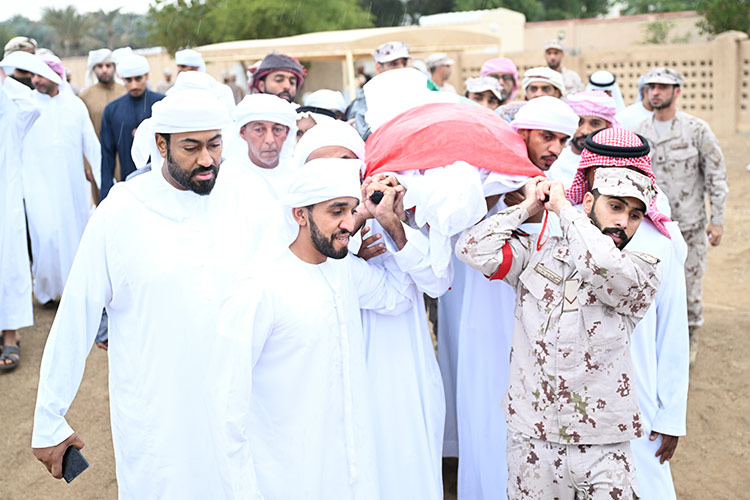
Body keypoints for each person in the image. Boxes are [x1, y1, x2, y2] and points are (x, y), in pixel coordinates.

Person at [31, 88, 273, 498]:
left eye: (214, 144)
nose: (207, 159)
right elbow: (76, 314)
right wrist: (48, 417)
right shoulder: (121, 212)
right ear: (161, 144)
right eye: (191, 147)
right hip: (160, 411)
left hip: (244, 402)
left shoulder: (248, 199)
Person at [212, 158, 422, 498]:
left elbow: (399, 297)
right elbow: (225, 403)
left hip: (349, 472)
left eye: (352, 211)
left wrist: (391, 221)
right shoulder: (259, 287)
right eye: (335, 211)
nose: (347, 224)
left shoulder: (345, 271)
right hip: (285, 477)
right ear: (300, 215)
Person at [456, 164, 660, 499]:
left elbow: (602, 263)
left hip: (602, 443)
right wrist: (527, 208)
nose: (624, 221)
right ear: (589, 202)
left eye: (635, 214)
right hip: (534, 439)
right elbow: (471, 248)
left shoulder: (639, 271)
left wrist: (564, 210)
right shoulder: (538, 253)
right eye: (615, 206)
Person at [297, 123, 449, 500]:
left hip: (398, 366)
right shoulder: (297, 225)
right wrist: (350, 241)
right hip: (329, 366)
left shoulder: (394, 209)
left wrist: (393, 225)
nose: (337, 173)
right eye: (323, 166)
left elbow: (434, 283)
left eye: (346, 163)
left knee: (401, 457)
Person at [450, 95, 576, 500]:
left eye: (562, 139)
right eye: (546, 136)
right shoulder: (481, 181)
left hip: (533, 322)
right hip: (486, 317)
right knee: (486, 408)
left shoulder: (556, 185)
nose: (554, 149)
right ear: (521, 134)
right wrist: (515, 195)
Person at [563, 128, 689, 500]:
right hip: (566, 399)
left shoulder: (659, 244)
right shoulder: (563, 226)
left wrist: (671, 415)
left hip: (635, 398)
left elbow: (672, 331)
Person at [635, 67, 728, 365]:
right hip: (651, 227)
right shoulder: (640, 132)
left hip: (688, 225)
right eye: (651, 87)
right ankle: (658, 340)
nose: (655, 92)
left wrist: (718, 220)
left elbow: (716, 175)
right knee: (652, 284)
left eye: (663, 87)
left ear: (677, 91)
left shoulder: (696, 129)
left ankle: (690, 336)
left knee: (689, 287)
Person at [19, 52, 100, 305]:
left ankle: (71, 290)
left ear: (56, 75)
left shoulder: (75, 105)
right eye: (32, 75)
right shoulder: (26, 105)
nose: (35, 80)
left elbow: (91, 146)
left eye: (40, 75)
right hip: (36, 185)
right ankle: (44, 292)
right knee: (45, 237)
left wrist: (102, 179)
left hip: (71, 186)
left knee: (72, 235)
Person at [0, 62, 40, 371]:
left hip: (5, 203)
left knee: (9, 265)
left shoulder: (11, 113)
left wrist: (5, 80)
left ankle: (11, 334)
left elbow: (32, 104)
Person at [99, 54, 165, 200]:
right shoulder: (112, 110)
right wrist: (105, 196)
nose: (134, 85)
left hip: (163, 184)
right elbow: (107, 155)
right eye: (129, 80)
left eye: (138, 79)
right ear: (121, 79)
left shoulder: (163, 104)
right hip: (129, 184)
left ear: (147, 76)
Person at [229, 93, 298, 198]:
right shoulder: (229, 177)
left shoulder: (297, 174)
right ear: (243, 133)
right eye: (259, 130)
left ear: (286, 132)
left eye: (277, 129)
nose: (269, 140)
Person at [547, 90, 618, 187]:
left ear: (608, 126)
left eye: (595, 124)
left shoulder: (616, 164)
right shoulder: (552, 160)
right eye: (578, 122)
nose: (585, 131)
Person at [346, 41, 411, 139]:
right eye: (394, 63)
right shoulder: (368, 96)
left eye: (404, 63)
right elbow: (363, 133)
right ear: (379, 68)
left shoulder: (411, 92)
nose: (401, 68)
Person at [510, 95, 579, 171]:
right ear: (523, 132)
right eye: (547, 137)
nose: (556, 150)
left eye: (563, 141)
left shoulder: (558, 173)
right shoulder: (502, 179)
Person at [496, 66, 565, 123]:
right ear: (526, 92)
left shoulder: (565, 118)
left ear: (557, 93)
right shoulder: (508, 113)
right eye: (533, 89)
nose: (539, 94)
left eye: (545, 89)